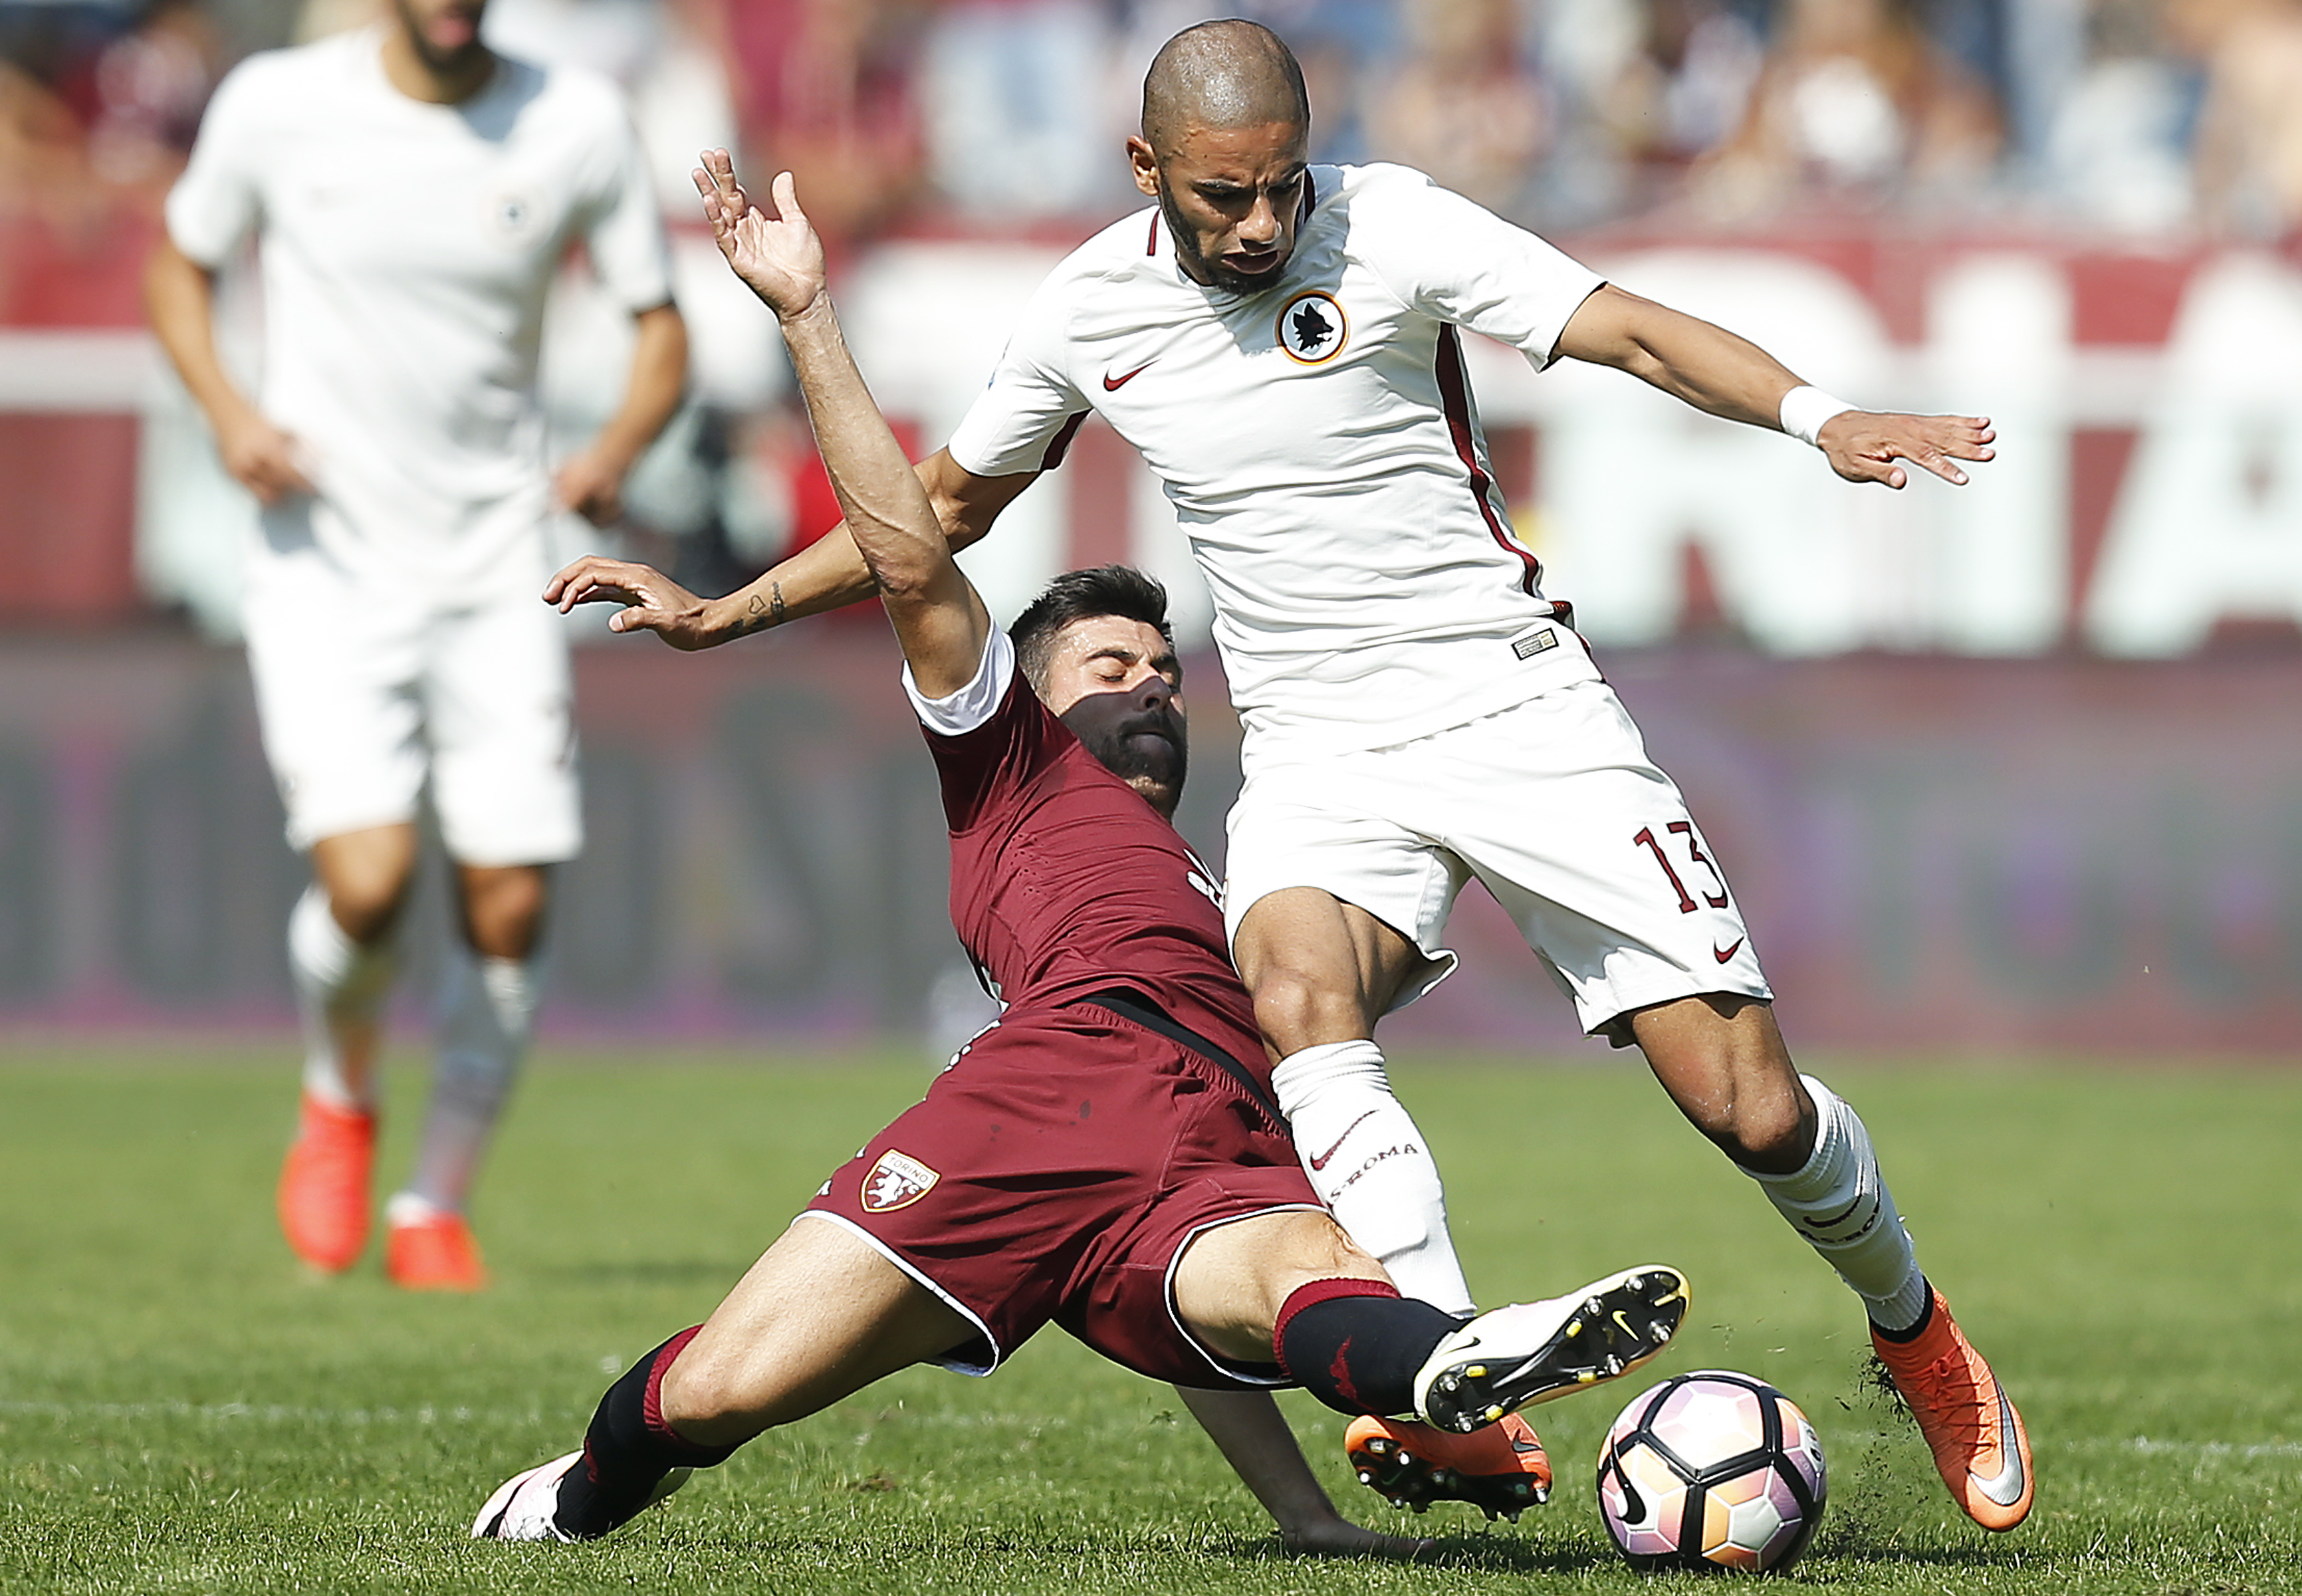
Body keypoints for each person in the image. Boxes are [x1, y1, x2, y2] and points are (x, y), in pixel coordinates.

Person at [562, 19, 2035, 1535]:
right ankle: (1457, 1386)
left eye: (1280, 185)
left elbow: (1629, 328)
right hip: (1318, 743)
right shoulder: (1090, 306)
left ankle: (1915, 1328)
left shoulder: (1391, 224)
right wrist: (725, 608)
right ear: (1147, 168)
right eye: (1222, 198)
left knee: (1749, 1109)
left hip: (1511, 704)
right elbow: (938, 506)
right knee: (1290, 987)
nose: (1263, 223)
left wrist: (1820, 415)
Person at [477, 152, 1692, 1549]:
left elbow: (1194, 1355)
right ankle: (576, 1498)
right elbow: (912, 554)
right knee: (715, 1392)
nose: (1153, 687)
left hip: (1218, 1128)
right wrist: (809, 317)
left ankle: (1434, 1370)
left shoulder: (1228, 881)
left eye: (1167, 670)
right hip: (1058, 1086)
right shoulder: (1010, 764)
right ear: (1028, 689)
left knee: (1304, 1266)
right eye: (1113, 663)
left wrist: (1301, 1521)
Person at [144, 0, 689, 1290]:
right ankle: (338, 1092)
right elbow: (179, 264)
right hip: (324, 554)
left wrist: (612, 451)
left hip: (503, 560)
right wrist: (227, 411)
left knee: (508, 898)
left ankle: (431, 1203)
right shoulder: (280, 105)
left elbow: (656, 322)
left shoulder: (575, 120)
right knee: (371, 881)